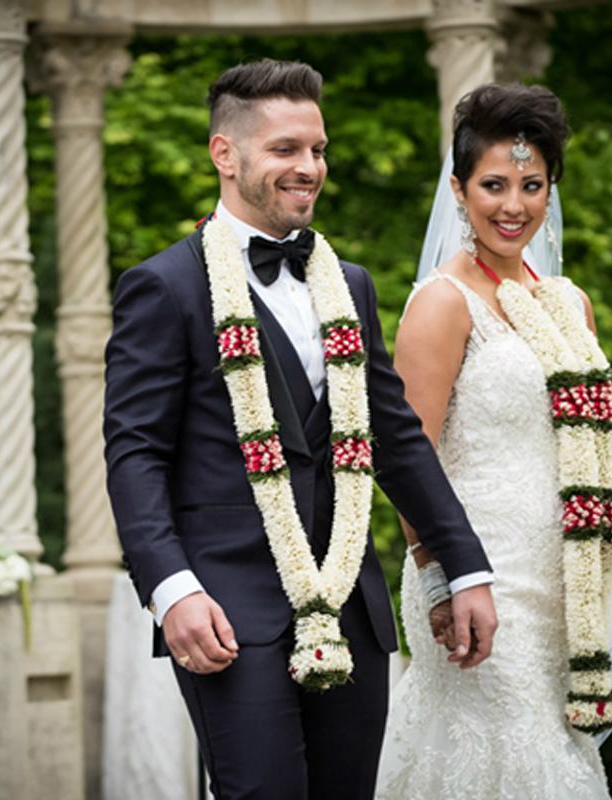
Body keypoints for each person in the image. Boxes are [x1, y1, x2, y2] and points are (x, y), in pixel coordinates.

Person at [103, 59, 499, 800]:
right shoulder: (163, 287)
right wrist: (169, 590)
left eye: (317, 150)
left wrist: (464, 566)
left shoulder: (349, 284)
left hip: (350, 606)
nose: (309, 167)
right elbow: (134, 457)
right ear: (227, 154)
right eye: (286, 149)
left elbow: (398, 437)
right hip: (227, 612)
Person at [376, 83, 612, 799]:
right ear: (459, 188)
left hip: (562, 587)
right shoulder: (443, 303)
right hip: (477, 582)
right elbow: (405, 455)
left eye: (531, 185)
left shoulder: (571, 304)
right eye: (494, 185)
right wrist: (443, 574)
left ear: (552, 188)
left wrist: (611, 513)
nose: (514, 205)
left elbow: (589, 442)